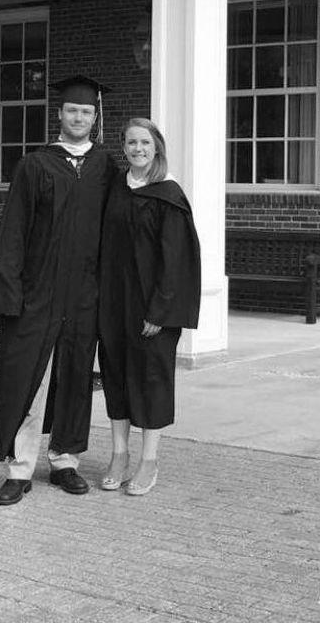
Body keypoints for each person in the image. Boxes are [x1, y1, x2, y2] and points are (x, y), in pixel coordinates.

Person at [0, 75, 117, 506]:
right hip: (37, 292)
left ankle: (65, 461)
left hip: (85, 293)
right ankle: (20, 468)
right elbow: (13, 234)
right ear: (59, 114)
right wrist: (8, 294)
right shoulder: (36, 165)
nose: (79, 118)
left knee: (76, 375)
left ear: (95, 118)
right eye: (72, 111)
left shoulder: (105, 167)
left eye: (86, 112)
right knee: (30, 377)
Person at [97, 117, 201, 496]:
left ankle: (148, 460)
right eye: (130, 143)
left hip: (152, 309)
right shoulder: (117, 190)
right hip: (114, 303)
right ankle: (119, 455)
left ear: (156, 146)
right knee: (117, 376)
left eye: (144, 143)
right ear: (123, 148)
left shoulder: (167, 194)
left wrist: (160, 311)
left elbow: (176, 261)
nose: (137, 149)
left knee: (151, 381)